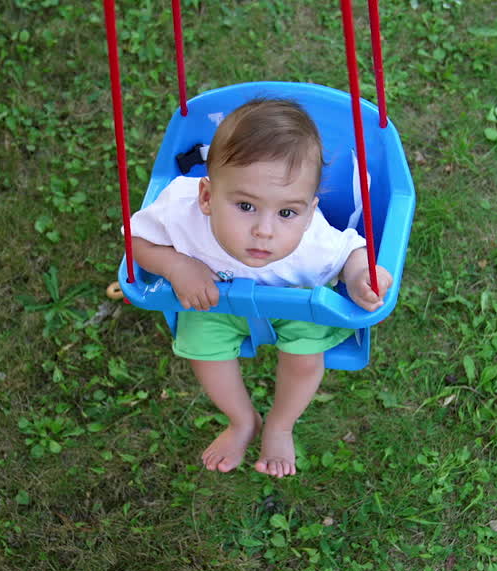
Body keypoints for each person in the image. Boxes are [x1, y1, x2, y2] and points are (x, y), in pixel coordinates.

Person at [129, 98, 392, 478]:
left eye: (287, 212)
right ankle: (241, 420)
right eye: (246, 206)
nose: (265, 231)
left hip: (294, 306)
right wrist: (176, 265)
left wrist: (360, 276)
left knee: (304, 360)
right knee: (204, 352)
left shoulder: (310, 239)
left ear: (307, 211)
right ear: (206, 197)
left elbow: (351, 251)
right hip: (215, 304)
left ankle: (280, 424)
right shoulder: (181, 211)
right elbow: (136, 239)